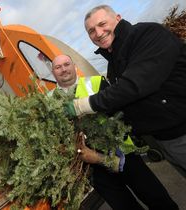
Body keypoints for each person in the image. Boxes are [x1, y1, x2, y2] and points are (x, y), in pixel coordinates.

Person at [66, 4, 186, 177]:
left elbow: (133, 86)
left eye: (102, 24)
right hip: (163, 138)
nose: (98, 33)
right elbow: (122, 105)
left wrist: (82, 106)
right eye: (91, 31)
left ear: (118, 18)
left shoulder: (147, 34)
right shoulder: (113, 64)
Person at [51, 54, 178, 210]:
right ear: (53, 72)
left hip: (123, 153)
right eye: (58, 67)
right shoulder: (49, 102)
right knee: (123, 205)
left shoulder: (95, 83)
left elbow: (119, 113)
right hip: (92, 168)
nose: (63, 69)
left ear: (74, 66)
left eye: (66, 64)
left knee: (155, 196)